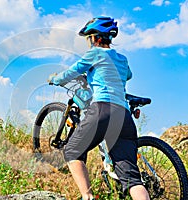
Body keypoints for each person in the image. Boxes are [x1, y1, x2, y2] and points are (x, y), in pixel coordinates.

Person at [48, 16, 150, 200]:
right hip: (124, 117)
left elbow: (72, 72)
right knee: (133, 180)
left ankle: (87, 196)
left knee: (72, 151)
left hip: (103, 109)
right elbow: (128, 75)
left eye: (89, 38)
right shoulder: (122, 59)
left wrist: (55, 79)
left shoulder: (94, 54)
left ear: (95, 38)